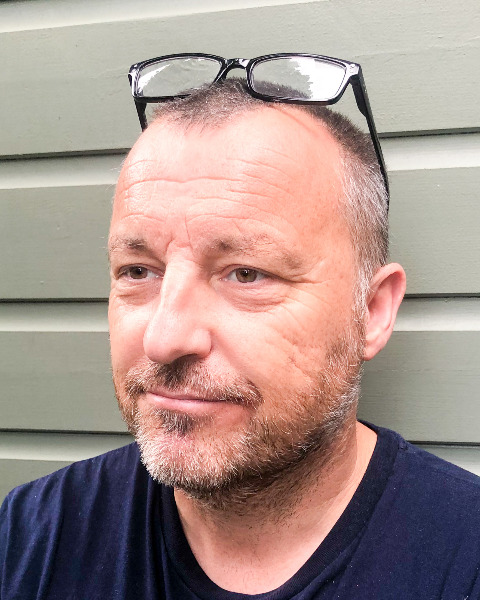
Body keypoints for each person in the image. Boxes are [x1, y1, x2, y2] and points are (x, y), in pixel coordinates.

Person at [1, 54, 480, 600]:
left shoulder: (463, 560)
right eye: (138, 271)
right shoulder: (35, 537)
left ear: (370, 312)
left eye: (246, 274)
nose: (164, 339)